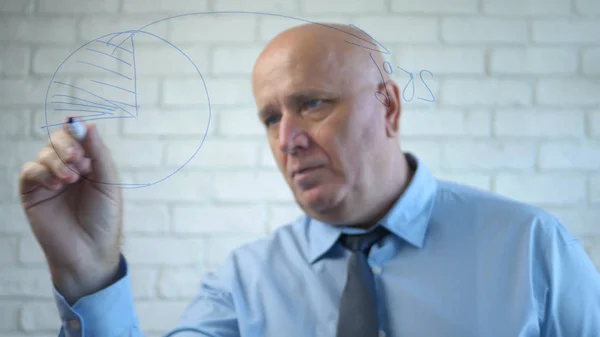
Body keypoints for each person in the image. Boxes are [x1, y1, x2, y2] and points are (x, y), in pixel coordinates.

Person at [18, 22, 600, 337]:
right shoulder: (242, 285)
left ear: (390, 109)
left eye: (313, 104)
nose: (286, 138)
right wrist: (88, 273)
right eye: (271, 117)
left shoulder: (531, 248)